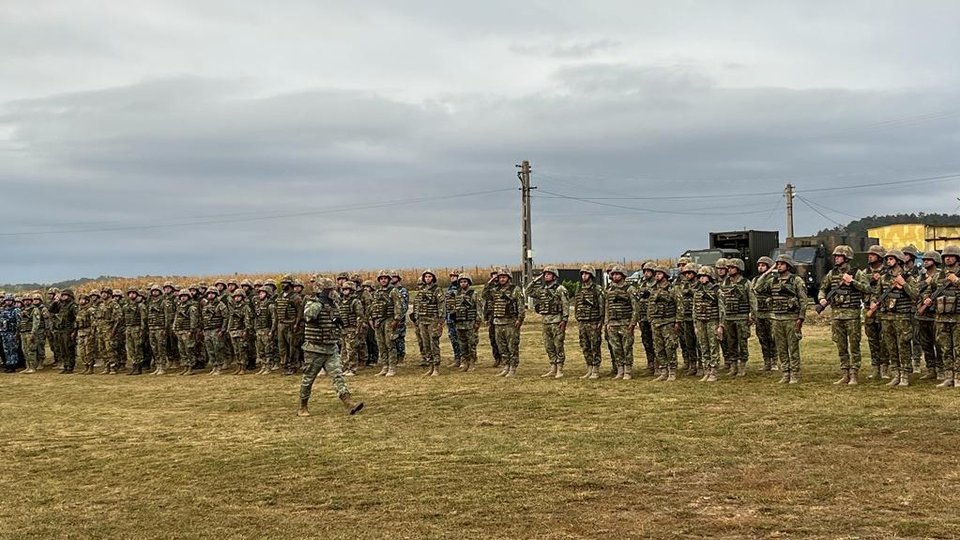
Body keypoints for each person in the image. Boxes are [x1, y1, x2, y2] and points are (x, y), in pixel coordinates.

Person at [297, 277, 364, 417]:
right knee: (308, 378)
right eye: (329, 290)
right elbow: (309, 316)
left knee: (337, 375)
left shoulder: (334, 304)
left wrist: (338, 322)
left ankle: (348, 402)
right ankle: (303, 406)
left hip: (330, 347)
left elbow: (338, 321)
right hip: (314, 349)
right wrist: (320, 302)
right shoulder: (312, 302)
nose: (332, 292)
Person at [817, 245, 870, 385]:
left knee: (854, 346)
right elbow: (823, 288)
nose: (836, 258)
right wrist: (821, 299)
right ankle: (845, 373)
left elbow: (867, 289)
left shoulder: (856, 272)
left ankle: (854, 374)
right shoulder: (831, 274)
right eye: (835, 256)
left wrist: (852, 282)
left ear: (846, 258)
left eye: (838, 256)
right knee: (841, 345)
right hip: (837, 315)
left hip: (852, 314)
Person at [754, 255, 807, 384]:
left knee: (793, 348)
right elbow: (757, 288)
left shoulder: (796, 280)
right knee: (781, 347)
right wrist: (767, 273)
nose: (778, 266)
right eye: (777, 264)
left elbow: (803, 300)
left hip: (791, 318)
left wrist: (801, 318)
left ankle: (795, 373)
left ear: (788, 266)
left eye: (781, 264)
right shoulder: (773, 281)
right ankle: (785, 373)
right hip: (777, 319)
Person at [871, 249, 919, 387]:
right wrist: (874, 302)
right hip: (887, 317)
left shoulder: (908, 277)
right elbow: (876, 293)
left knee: (903, 345)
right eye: (887, 259)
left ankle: (905, 375)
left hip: (902, 316)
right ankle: (896, 373)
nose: (888, 261)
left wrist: (903, 284)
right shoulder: (884, 278)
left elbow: (915, 295)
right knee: (891, 346)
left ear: (898, 260)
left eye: (891, 259)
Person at [924, 245, 960, 387]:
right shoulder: (939, 275)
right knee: (945, 348)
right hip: (941, 318)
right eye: (945, 256)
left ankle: (958, 377)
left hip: (957, 317)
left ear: (957, 258)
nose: (947, 258)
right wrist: (927, 298)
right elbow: (928, 288)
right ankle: (948, 376)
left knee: (958, 348)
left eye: (950, 256)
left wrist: (956, 281)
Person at [529, 266, 570, 379]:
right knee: (549, 345)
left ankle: (560, 369)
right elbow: (528, 291)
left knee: (558, 345)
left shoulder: (560, 289)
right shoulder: (542, 289)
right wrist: (536, 280)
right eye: (545, 274)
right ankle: (553, 367)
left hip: (557, 321)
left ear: (554, 276)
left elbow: (565, 305)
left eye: (548, 274)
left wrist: (564, 320)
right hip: (545, 321)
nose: (546, 275)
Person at [718, 258, 754, 377]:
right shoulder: (725, 283)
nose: (729, 270)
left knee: (742, 342)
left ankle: (742, 366)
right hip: (728, 317)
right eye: (728, 268)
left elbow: (752, 300)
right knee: (731, 342)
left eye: (732, 268)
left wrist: (752, 315)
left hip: (742, 317)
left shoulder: (745, 283)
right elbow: (721, 301)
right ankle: (733, 366)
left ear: (738, 269)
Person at [490, 268, 525, 377]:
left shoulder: (515, 290)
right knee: (501, 347)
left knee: (512, 346)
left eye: (504, 277)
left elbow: (521, 306)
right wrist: (491, 281)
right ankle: (506, 366)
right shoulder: (495, 290)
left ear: (508, 278)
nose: (502, 279)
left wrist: (520, 319)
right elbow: (485, 295)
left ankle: (513, 367)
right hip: (498, 322)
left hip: (511, 322)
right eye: (500, 277)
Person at [605, 265, 638, 380]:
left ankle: (628, 370)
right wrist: (607, 323)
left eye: (617, 274)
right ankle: (620, 370)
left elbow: (635, 308)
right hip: (613, 324)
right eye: (613, 274)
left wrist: (632, 323)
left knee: (627, 347)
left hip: (625, 323)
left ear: (623, 275)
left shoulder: (630, 289)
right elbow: (607, 307)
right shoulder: (609, 290)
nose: (615, 276)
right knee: (616, 348)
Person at [648, 265, 680, 381]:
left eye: (660, 274)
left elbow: (679, 306)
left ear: (665, 275)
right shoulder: (653, 289)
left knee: (670, 347)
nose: (657, 275)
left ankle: (672, 371)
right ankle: (663, 371)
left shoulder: (672, 289)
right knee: (658, 348)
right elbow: (650, 306)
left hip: (668, 322)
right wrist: (650, 319)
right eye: (656, 273)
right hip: (656, 322)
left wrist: (677, 321)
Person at [916, 250, 943, 380]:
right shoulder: (921, 276)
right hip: (922, 315)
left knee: (939, 343)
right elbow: (915, 291)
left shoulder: (940, 275)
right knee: (925, 344)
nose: (925, 261)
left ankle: (941, 368)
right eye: (924, 259)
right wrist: (926, 282)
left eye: (928, 259)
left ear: (935, 261)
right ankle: (930, 369)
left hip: (936, 314)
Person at [372, 269, 404, 377]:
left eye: (385, 278)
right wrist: (373, 319)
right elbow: (373, 307)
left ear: (389, 279)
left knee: (390, 343)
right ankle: (384, 366)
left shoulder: (393, 291)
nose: (383, 280)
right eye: (381, 279)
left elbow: (398, 306)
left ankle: (392, 367)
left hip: (389, 320)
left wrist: (396, 320)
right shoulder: (377, 292)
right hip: (378, 320)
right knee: (381, 344)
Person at [574, 265, 605, 379]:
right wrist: (577, 317)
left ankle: (596, 370)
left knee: (595, 346)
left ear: (591, 275)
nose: (584, 276)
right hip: (582, 322)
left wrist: (601, 321)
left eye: (586, 274)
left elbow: (602, 306)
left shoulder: (597, 289)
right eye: (582, 274)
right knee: (585, 345)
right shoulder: (580, 288)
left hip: (594, 322)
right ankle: (589, 368)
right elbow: (577, 304)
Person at [414, 269, 446, 376]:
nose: (427, 278)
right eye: (426, 277)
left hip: (433, 320)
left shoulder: (437, 290)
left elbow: (441, 305)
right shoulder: (421, 290)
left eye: (429, 276)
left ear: (433, 278)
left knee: (434, 343)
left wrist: (440, 321)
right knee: (426, 344)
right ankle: (430, 366)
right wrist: (417, 318)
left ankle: (436, 367)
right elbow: (417, 305)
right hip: (423, 320)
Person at [693, 266, 722, 382]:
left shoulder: (716, 290)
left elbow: (722, 309)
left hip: (712, 321)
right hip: (700, 321)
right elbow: (694, 309)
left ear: (709, 277)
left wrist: (721, 325)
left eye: (704, 276)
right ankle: (706, 370)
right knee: (703, 346)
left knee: (713, 346)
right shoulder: (698, 291)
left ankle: (714, 371)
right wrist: (695, 324)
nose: (701, 279)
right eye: (700, 277)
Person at [864, 245, 889, 379]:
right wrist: (871, 280)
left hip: (883, 309)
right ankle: (875, 368)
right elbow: (860, 285)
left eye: (872, 254)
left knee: (884, 339)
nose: (869, 256)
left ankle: (885, 367)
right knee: (872, 340)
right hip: (869, 308)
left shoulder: (887, 271)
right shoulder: (864, 271)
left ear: (879, 257)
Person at [451, 273, 482, 372]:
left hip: (470, 323)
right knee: (462, 344)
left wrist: (477, 321)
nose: (463, 284)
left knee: (471, 344)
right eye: (461, 282)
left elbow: (478, 308)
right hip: (460, 323)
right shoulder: (457, 294)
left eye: (465, 281)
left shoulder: (474, 294)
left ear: (468, 282)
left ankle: (472, 362)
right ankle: (465, 362)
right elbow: (453, 307)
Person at [752, 257, 777, 371]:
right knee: (762, 338)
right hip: (759, 313)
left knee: (773, 338)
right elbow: (754, 291)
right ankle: (766, 361)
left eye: (763, 265)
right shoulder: (756, 280)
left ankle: (774, 361)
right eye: (759, 265)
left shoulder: (773, 279)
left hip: (770, 313)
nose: (760, 267)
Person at [275, 275, 304, 375]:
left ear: (290, 284)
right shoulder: (280, 295)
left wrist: (297, 323)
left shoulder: (295, 297)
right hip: (281, 324)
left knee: (292, 347)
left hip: (291, 324)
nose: (283, 285)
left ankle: (293, 366)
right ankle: (285, 365)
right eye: (282, 283)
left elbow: (300, 311)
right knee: (282, 346)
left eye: (285, 283)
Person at [676, 263, 700, 375]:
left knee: (699, 343)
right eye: (685, 273)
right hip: (686, 318)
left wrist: (692, 292)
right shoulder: (683, 285)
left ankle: (701, 365)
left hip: (698, 318)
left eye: (689, 273)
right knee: (688, 343)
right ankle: (692, 365)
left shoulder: (700, 284)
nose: (687, 275)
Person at [634, 261, 657, 375]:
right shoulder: (641, 283)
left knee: (656, 341)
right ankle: (650, 364)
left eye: (648, 271)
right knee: (646, 341)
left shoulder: (657, 283)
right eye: (645, 271)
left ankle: (659, 365)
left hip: (654, 317)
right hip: (643, 317)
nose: (646, 274)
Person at [338, 281, 365, 376]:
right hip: (344, 328)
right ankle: (345, 368)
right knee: (344, 350)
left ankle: (352, 368)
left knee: (352, 350)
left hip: (352, 328)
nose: (345, 291)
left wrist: (358, 329)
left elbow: (360, 316)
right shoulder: (341, 301)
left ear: (352, 290)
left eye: (347, 289)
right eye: (344, 289)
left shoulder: (355, 301)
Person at [200, 288, 228, 375]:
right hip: (207, 330)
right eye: (209, 293)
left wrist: (223, 330)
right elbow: (203, 318)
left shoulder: (220, 305)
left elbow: (226, 318)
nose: (210, 295)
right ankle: (214, 366)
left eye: (213, 293)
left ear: (216, 294)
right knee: (210, 349)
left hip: (217, 329)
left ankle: (219, 366)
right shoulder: (206, 305)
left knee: (218, 349)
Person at [121, 287, 148, 375]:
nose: (131, 295)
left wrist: (142, 331)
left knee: (138, 348)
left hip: (137, 328)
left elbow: (143, 319)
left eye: (133, 293)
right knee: (130, 348)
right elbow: (124, 318)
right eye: (130, 293)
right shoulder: (126, 306)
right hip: (128, 328)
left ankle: (139, 367)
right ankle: (134, 365)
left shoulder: (140, 305)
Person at [226, 289, 253, 374]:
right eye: (235, 297)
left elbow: (247, 319)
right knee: (236, 350)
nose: (237, 298)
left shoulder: (245, 307)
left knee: (242, 350)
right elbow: (230, 319)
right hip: (233, 331)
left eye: (238, 296)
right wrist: (229, 329)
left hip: (241, 330)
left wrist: (246, 330)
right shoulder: (233, 307)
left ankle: (243, 367)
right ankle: (238, 366)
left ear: (242, 297)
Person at [17, 293, 44, 373]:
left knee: (31, 350)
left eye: (28, 300)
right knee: (24, 350)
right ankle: (28, 366)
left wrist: (33, 333)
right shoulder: (23, 310)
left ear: (31, 301)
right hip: (23, 332)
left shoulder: (34, 310)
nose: (26, 302)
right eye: (25, 301)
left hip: (30, 332)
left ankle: (32, 367)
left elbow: (36, 322)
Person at [390, 270, 410, 365]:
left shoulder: (402, 290)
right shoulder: (391, 290)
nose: (392, 279)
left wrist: (399, 318)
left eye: (394, 277)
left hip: (399, 319)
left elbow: (404, 306)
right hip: (391, 318)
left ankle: (401, 357)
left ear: (398, 278)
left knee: (399, 338)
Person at [445, 270, 463, 368]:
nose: (452, 278)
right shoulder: (449, 288)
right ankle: (457, 359)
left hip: (459, 318)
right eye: (451, 276)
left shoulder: (462, 288)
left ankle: (464, 359)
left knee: (461, 339)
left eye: (455, 276)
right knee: (453, 339)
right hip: (450, 318)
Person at [0, 294, 21, 373]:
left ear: (12, 301)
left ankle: (13, 365)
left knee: (12, 349)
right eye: (6, 300)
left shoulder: (16, 310)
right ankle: (8, 364)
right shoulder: (3, 310)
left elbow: (19, 322)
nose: (8, 302)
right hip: (4, 332)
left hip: (12, 332)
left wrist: (17, 333)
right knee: (6, 349)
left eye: (9, 300)